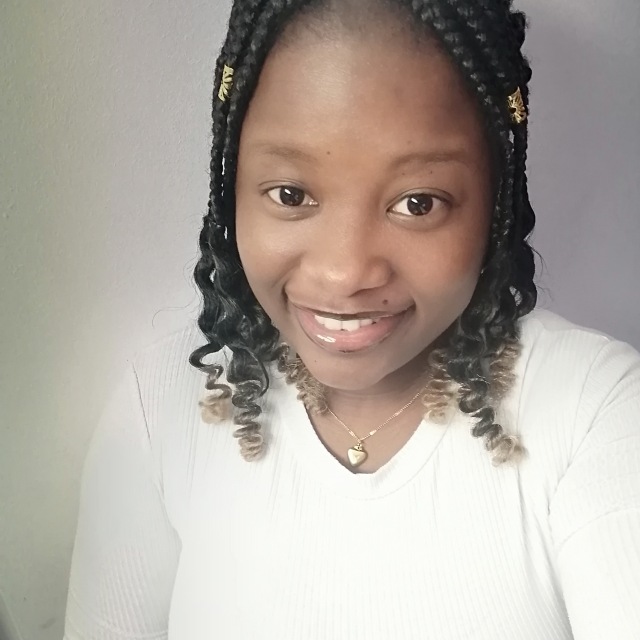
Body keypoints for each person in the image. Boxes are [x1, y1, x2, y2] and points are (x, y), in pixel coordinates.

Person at [63, 0, 640, 638]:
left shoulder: (596, 412)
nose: (344, 272)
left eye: (418, 203)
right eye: (291, 195)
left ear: (494, 203)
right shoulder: (161, 408)